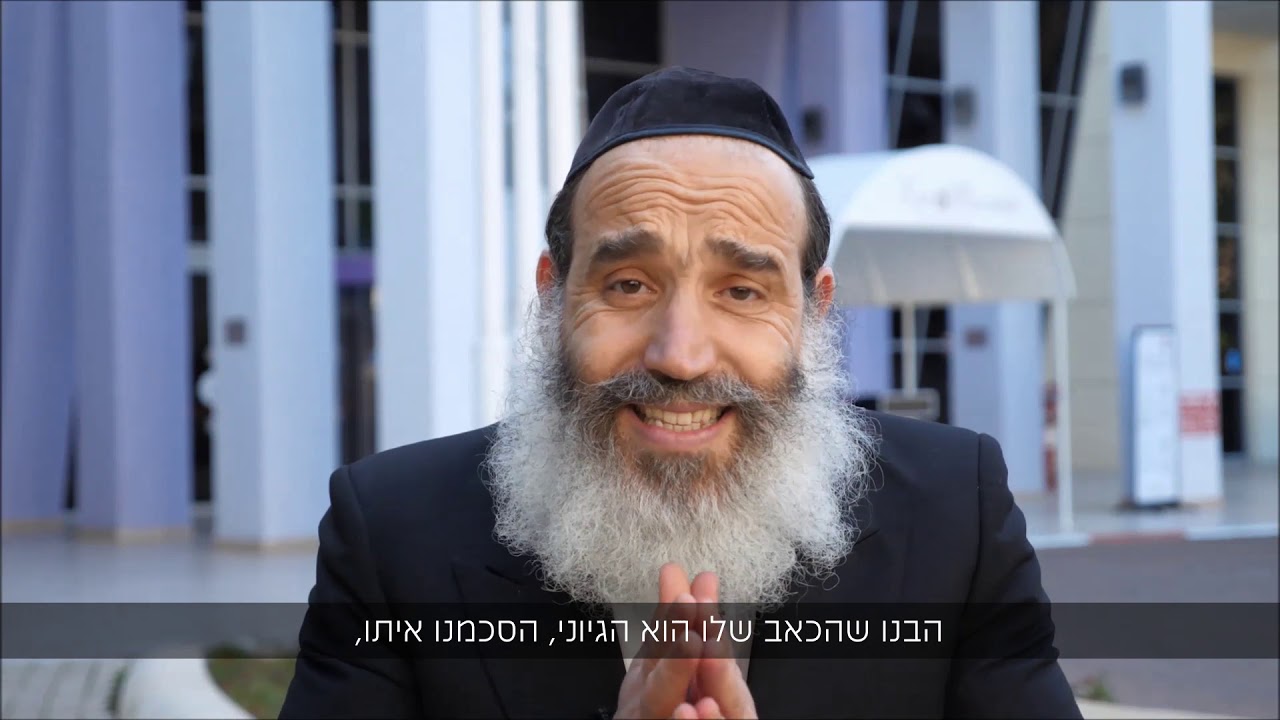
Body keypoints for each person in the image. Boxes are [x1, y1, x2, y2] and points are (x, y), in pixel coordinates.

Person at [280, 67, 1082, 720]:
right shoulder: (392, 532)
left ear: (814, 313)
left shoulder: (955, 512)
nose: (681, 356)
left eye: (741, 291)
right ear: (553, 298)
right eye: (628, 284)